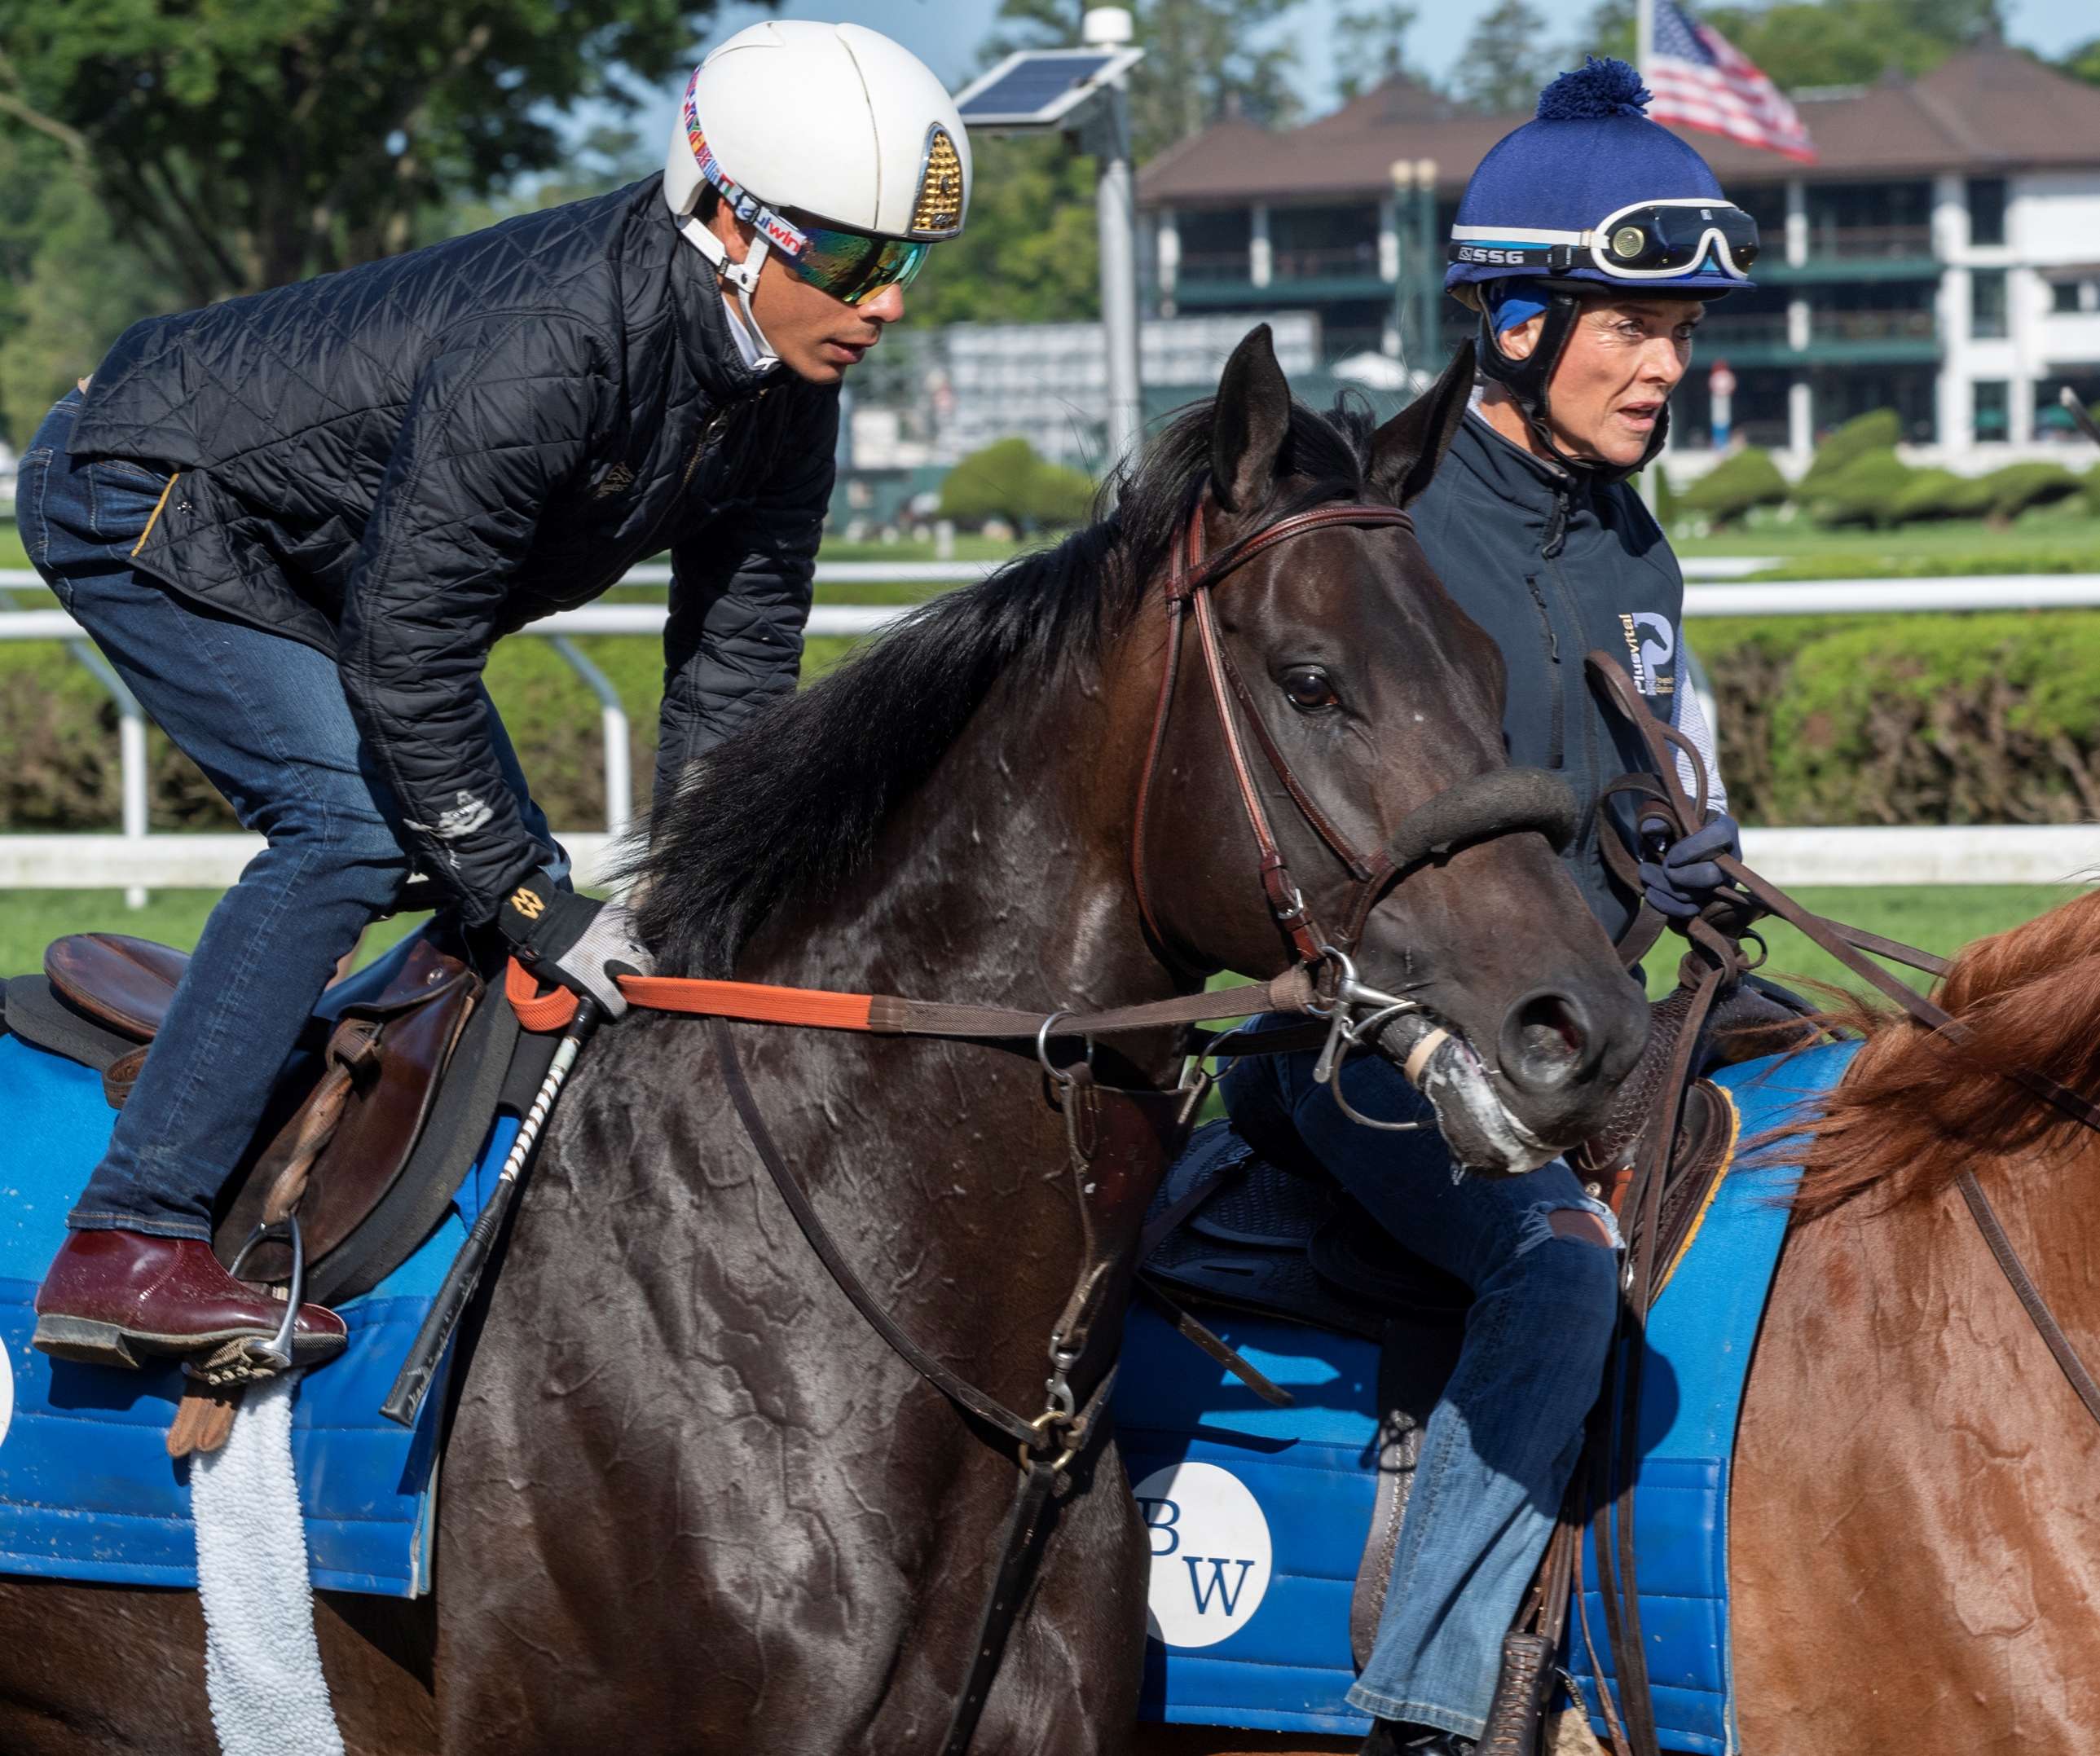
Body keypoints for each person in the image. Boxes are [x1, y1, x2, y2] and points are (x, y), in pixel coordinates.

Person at [25, 20, 971, 1377]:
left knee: (468, 855)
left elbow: (736, 664)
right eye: (855, 261)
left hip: (313, 557)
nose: (886, 305)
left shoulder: (787, 395)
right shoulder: (554, 343)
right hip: (145, 492)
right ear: (725, 221)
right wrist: (536, 896)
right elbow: (411, 652)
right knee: (356, 826)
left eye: (908, 265)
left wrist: (691, 895)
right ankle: (127, 1237)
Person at [1217, 58, 1747, 1756]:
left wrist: (1697, 869)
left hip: (1592, 1015)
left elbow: (1665, 796)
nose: (1665, 365)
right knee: (1553, 1270)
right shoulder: (1396, 537)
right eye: (1629, 327)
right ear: (1512, 318)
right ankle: (1427, 1705)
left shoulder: (1627, 539)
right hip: (1375, 1050)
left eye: (1678, 331)